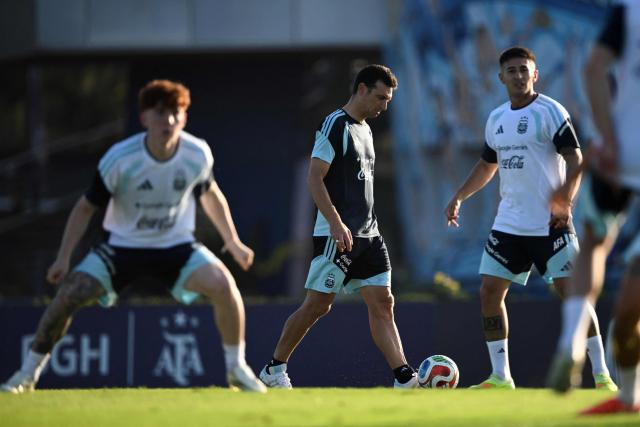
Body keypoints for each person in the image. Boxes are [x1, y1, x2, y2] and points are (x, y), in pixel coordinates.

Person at [0, 79, 266, 393]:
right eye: (159, 113)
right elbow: (85, 208)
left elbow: (210, 195)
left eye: (175, 113)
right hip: (122, 249)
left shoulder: (197, 154)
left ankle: (236, 368)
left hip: (176, 248)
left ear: (184, 118)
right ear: (144, 119)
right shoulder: (120, 158)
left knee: (223, 285)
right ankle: (26, 375)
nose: (167, 121)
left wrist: (232, 241)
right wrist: (64, 257)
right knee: (69, 294)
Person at [444, 46, 616, 390]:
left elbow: (576, 159)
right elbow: (486, 165)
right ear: (501, 77)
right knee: (489, 291)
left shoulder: (551, 111)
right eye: (512, 70)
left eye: (525, 69)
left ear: (535, 74)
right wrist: (459, 196)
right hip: (508, 223)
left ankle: (601, 375)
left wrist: (565, 201)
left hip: (549, 223)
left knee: (572, 294)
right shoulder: (496, 118)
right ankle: (501, 376)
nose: (519, 75)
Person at [258, 64, 418, 389]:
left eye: (388, 100)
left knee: (383, 302)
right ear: (361, 89)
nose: (383, 105)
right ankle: (274, 369)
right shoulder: (335, 125)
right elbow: (314, 177)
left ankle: (404, 376)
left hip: (370, 235)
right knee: (318, 305)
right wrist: (335, 222)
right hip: (339, 235)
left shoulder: (367, 130)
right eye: (380, 97)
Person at [547, 0, 640, 414]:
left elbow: (593, 69)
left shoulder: (630, 11)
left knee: (595, 242)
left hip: (622, 153)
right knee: (632, 298)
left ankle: (572, 340)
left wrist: (607, 136)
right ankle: (628, 395)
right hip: (623, 152)